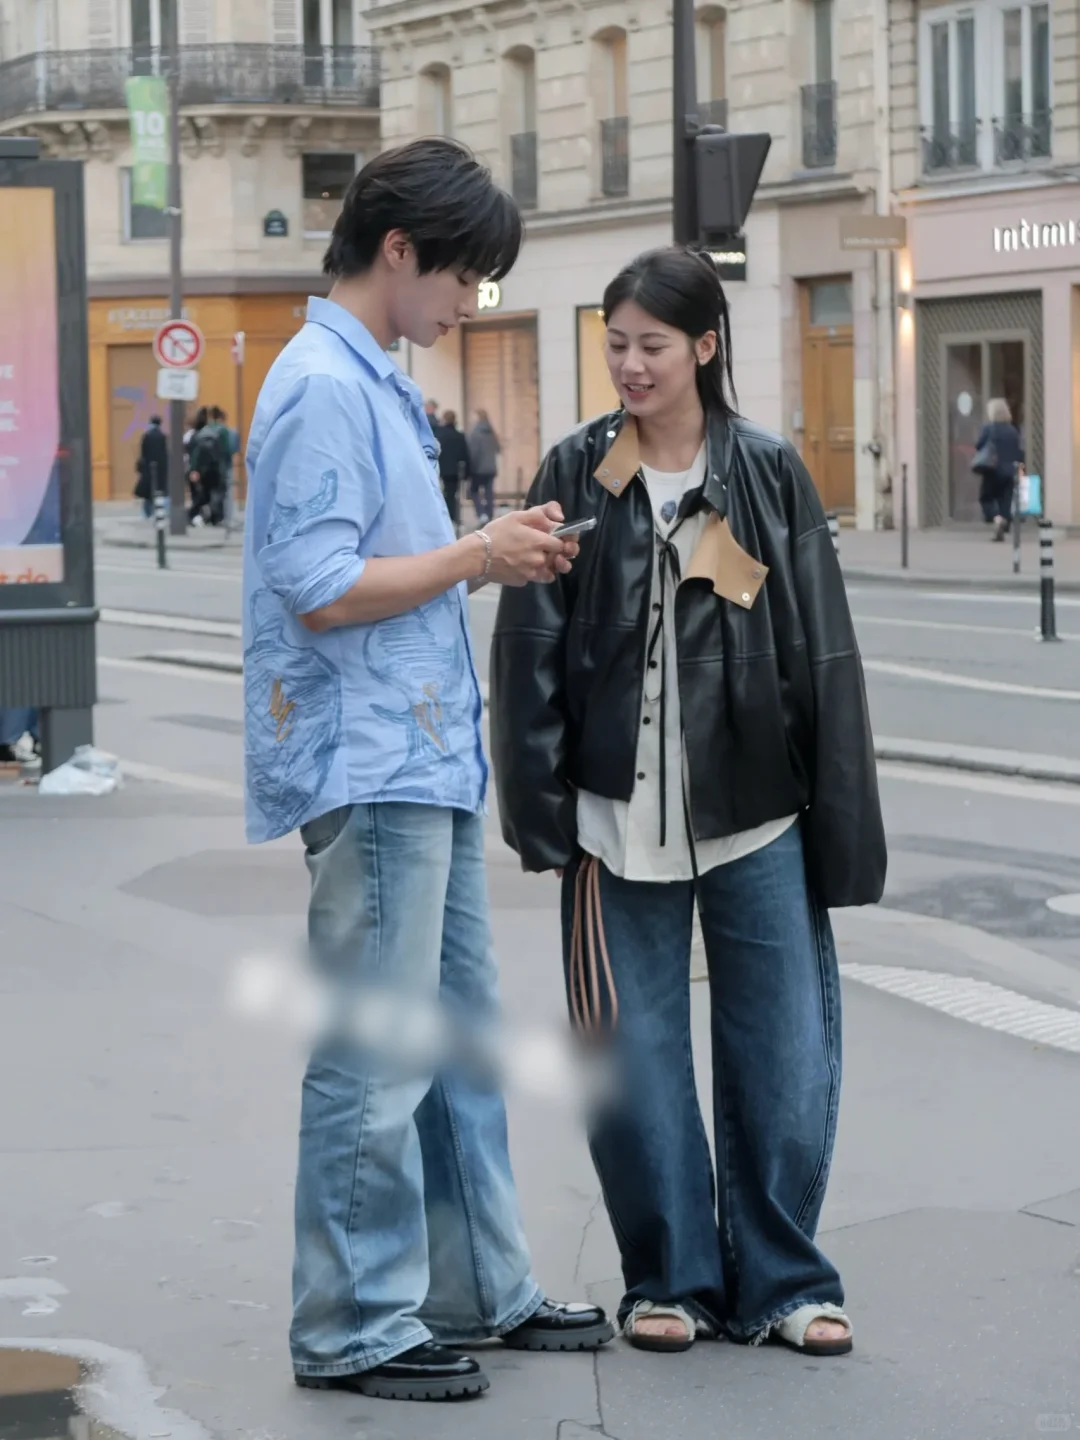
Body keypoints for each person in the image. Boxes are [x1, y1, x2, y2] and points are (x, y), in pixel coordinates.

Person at [241, 137, 612, 1405]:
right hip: (373, 754)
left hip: (421, 754)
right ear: (398, 252)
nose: (473, 305)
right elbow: (321, 586)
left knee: (453, 1041)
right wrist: (477, 558)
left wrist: (489, 550)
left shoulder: (372, 377)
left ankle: (471, 1287)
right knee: (381, 1047)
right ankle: (351, 1317)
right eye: (464, 280)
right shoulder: (321, 385)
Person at [490, 246, 886, 1360]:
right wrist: (543, 817)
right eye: (615, 345)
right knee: (633, 1054)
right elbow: (528, 654)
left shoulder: (767, 473)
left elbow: (824, 656)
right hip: (615, 826)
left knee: (783, 1053)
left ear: (706, 347)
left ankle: (784, 1281)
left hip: (758, 811)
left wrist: (841, 823)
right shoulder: (576, 474)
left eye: (652, 346)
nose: (629, 366)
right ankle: (668, 1277)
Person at [974, 398, 1024, 541]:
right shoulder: (1013, 430)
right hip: (1010, 471)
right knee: (1005, 501)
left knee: (986, 497)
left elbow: (979, 445)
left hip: (992, 469)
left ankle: (997, 520)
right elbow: (1018, 451)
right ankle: (1003, 526)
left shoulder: (988, 428)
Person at [432, 408, 470, 532]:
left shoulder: (439, 435)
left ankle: (445, 516)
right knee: (453, 493)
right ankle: (453, 516)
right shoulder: (459, 436)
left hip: (442, 469)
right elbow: (465, 454)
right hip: (456, 470)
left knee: (443, 493)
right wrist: (467, 472)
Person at [187, 406, 225, 528]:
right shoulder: (215, 435)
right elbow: (221, 453)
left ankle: (195, 516)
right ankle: (214, 517)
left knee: (199, 495)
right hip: (214, 470)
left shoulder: (195, 436)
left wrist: (193, 469)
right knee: (214, 494)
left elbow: (193, 454)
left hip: (200, 470)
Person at [467, 408, 500, 524]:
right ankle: (489, 514)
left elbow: (473, 452)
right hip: (491, 468)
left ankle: (481, 513)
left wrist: (470, 467)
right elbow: (498, 449)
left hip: (478, 468)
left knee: (473, 491)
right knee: (488, 492)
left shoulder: (476, 433)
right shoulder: (492, 433)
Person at [209, 406, 241, 527]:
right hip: (225, 467)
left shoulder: (207, 430)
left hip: (210, 468)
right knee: (227, 493)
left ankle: (214, 518)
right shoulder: (228, 432)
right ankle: (227, 518)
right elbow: (231, 449)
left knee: (213, 493)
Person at [135, 415, 168, 520]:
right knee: (159, 492)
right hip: (161, 469)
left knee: (148, 493)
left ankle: (147, 513)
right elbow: (165, 453)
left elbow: (143, 453)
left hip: (148, 469)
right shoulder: (162, 436)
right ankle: (158, 513)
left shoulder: (147, 436)